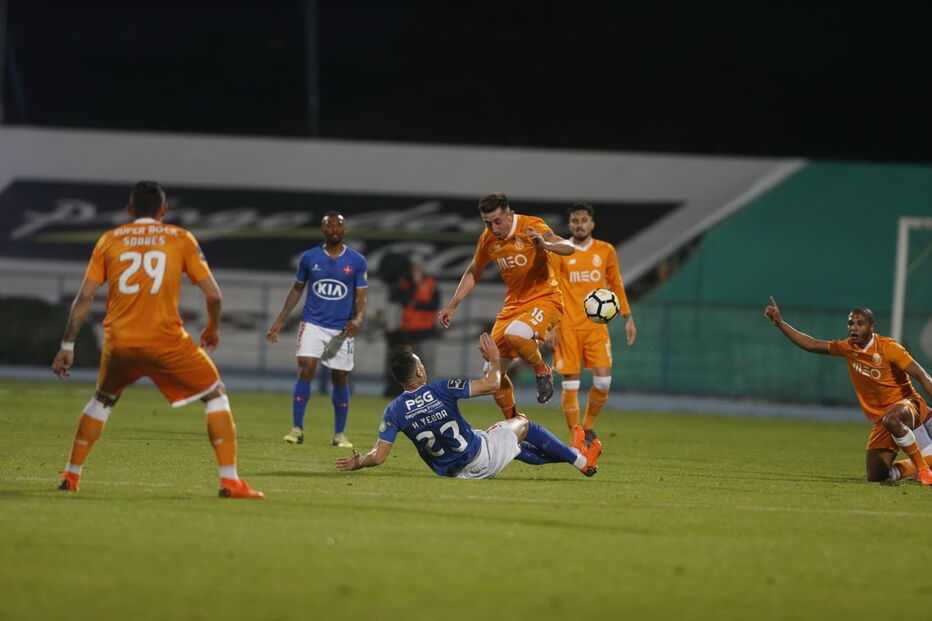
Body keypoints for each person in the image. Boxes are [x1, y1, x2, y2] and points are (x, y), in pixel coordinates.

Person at [51, 181, 263, 499]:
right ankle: (230, 481)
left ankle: (71, 474)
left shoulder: (109, 240)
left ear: (129, 210)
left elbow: (84, 297)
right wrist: (212, 328)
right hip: (167, 342)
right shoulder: (180, 239)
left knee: (102, 400)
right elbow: (214, 295)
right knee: (215, 394)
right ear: (164, 210)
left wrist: (67, 345)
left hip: (119, 342)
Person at [334, 333, 602, 479]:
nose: (423, 366)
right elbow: (491, 384)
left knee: (509, 443)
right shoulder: (441, 388)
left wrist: (361, 461)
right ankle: (581, 461)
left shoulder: (393, 410)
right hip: (479, 456)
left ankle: (571, 452)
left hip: (455, 473)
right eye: (420, 363)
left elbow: (378, 457)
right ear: (417, 372)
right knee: (522, 423)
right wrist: (495, 360)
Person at [764, 296, 932, 485]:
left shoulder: (888, 347)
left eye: (860, 324)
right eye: (851, 323)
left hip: (909, 406)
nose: (854, 327)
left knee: (892, 418)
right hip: (882, 418)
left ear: (872, 327)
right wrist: (780, 323)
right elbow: (811, 344)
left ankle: (923, 469)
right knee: (876, 475)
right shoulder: (847, 347)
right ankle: (921, 463)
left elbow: (922, 375)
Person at [438, 192, 574, 416]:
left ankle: (542, 370)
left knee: (516, 334)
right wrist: (453, 305)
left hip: (546, 298)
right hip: (513, 307)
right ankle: (513, 419)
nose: (493, 227)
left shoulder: (532, 226)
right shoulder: (488, 239)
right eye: (487, 223)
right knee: (492, 374)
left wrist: (546, 244)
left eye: (497, 221)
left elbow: (568, 247)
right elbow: (474, 271)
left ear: (510, 215)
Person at [267, 211, 368, 447]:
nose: (334, 229)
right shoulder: (309, 258)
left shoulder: (356, 261)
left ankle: (339, 434)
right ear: (323, 230)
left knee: (339, 377)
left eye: (339, 225)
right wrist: (280, 320)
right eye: (329, 225)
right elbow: (296, 290)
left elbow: (362, 295)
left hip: (341, 327)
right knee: (306, 367)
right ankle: (297, 428)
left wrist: (358, 319)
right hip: (312, 323)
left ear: (344, 230)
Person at [547, 203, 637, 447]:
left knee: (603, 382)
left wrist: (627, 317)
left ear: (592, 224)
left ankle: (588, 425)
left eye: (584, 220)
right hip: (567, 326)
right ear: (569, 225)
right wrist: (552, 325)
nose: (579, 224)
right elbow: (552, 290)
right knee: (571, 384)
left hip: (596, 328)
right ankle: (575, 437)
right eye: (575, 220)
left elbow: (616, 284)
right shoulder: (560, 251)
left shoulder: (605, 250)